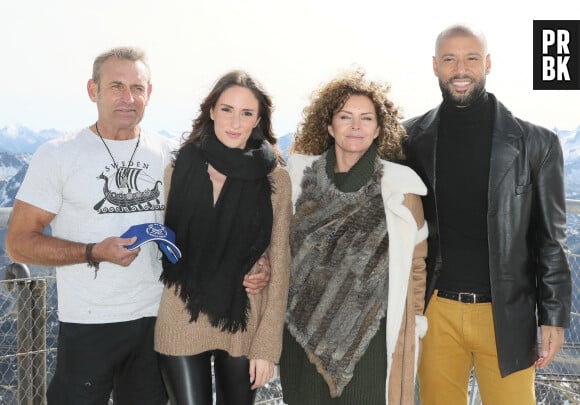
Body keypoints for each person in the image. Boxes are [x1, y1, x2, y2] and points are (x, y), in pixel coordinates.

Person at [4, 48, 269, 405]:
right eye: (116, 86)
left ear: (149, 93)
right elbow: (18, 243)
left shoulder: (173, 154)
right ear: (92, 90)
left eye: (137, 88)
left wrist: (257, 260)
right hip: (88, 323)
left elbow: (218, 223)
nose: (128, 98)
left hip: (157, 322)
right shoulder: (58, 154)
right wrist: (92, 251)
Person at [403, 24, 572, 405]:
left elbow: (552, 238)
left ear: (488, 64)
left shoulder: (536, 143)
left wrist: (554, 315)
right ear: (435, 66)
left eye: (471, 58)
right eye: (449, 59)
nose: (460, 69)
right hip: (435, 312)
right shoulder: (410, 139)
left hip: (507, 314)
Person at [279, 69, 428, 404]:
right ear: (329, 125)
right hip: (303, 334)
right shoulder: (298, 179)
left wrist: (415, 319)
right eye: (345, 117)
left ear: (379, 128)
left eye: (366, 118)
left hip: (371, 339)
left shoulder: (402, 189)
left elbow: (418, 263)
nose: (356, 126)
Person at [153, 70, 292, 405]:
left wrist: (266, 347)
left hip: (243, 317)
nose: (235, 122)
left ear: (258, 119)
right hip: (182, 312)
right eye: (227, 109)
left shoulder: (275, 178)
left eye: (246, 113)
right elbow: (167, 240)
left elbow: (281, 261)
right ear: (212, 110)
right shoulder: (180, 167)